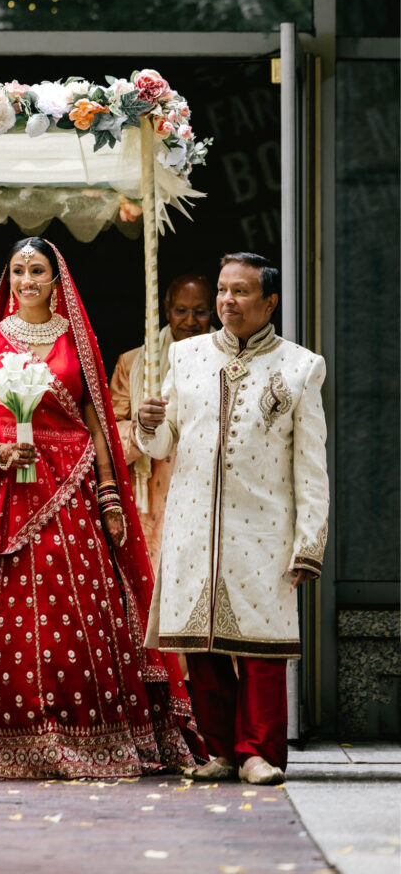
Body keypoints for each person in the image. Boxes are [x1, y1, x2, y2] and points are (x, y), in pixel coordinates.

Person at [0, 237, 204, 779]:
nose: (27, 280)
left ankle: (96, 735)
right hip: (5, 493)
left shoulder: (77, 341)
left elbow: (96, 421)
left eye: (37, 270)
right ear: (8, 279)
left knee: (82, 616)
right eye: (17, 271)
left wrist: (109, 492)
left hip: (73, 493)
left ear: (57, 282)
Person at [135, 252, 329, 785]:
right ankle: (220, 750)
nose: (227, 301)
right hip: (194, 524)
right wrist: (147, 424)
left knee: (262, 650)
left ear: (269, 301)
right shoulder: (187, 355)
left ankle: (258, 753)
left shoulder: (300, 365)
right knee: (202, 647)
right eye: (223, 290)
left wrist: (308, 542)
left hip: (265, 529)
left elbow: (311, 465)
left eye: (240, 292)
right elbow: (162, 440)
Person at [110, 274, 214, 569]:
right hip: (152, 500)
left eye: (200, 311)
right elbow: (107, 437)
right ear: (167, 310)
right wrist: (143, 428)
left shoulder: (230, 361)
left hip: (208, 488)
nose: (190, 321)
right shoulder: (133, 363)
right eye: (181, 311)